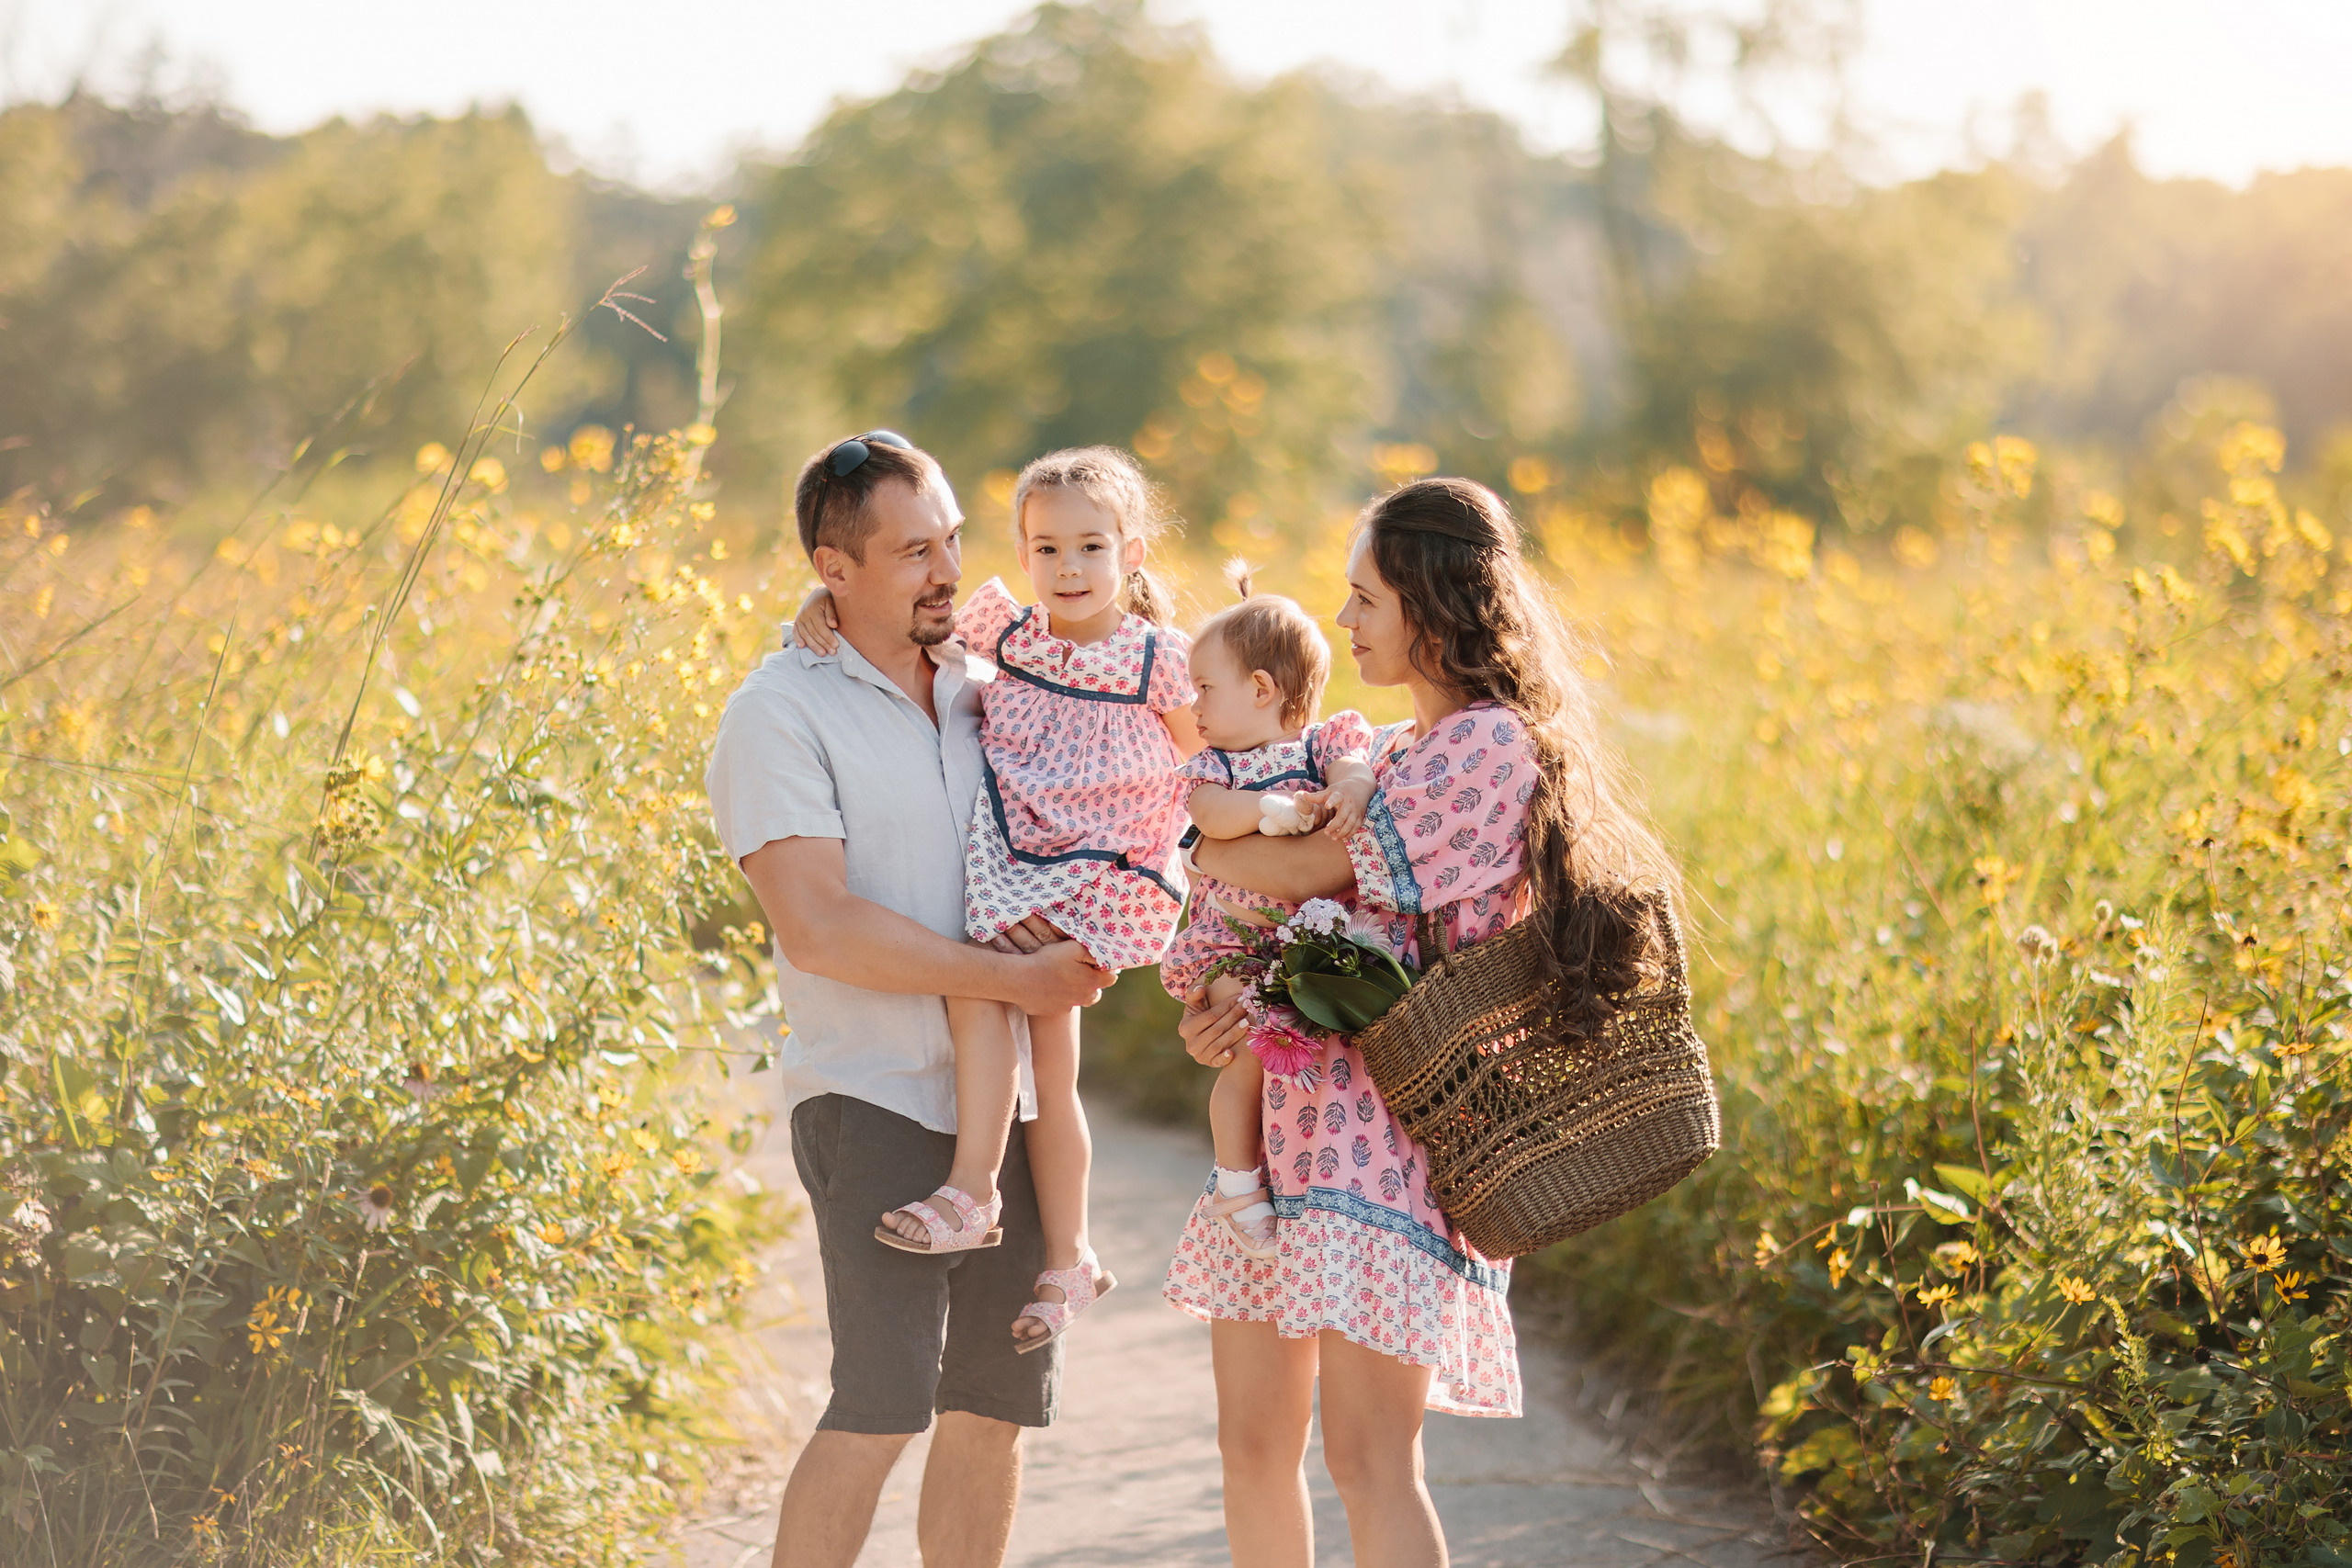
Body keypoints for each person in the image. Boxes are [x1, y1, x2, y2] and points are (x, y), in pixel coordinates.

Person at [1168, 477, 1673, 1568]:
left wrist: (1197, 839)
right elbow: (1284, 911)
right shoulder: (1390, 748)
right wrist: (1220, 1011)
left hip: (1386, 1147)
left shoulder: (1489, 747)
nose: (1342, 620)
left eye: (1364, 599)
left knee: (1366, 1461)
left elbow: (1306, 869)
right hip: (1287, 1129)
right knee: (1250, 1447)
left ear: (1431, 606)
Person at [705, 430, 1110, 1568]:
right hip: (874, 1098)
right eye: (912, 553)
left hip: (1015, 1110)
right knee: (879, 1408)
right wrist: (1013, 979)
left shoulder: (1003, 681)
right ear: (832, 570)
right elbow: (819, 926)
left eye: (952, 542)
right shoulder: (777, 714)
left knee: (991, 1409)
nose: (947, 572)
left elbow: (1142, 689)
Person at [792, 446, 1200, 1349]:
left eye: (1091, 548)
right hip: (1026, 863)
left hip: (1108, 873)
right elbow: (886, 622)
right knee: (1040, 1061)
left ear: (1132, 553)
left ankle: (977, 1192)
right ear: (1021, 556)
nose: (1068, 568)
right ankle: (1067, 1256)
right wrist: (819, 602)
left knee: (989, 995)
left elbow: (1210, 759)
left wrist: (1226, 855)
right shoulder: (1009, 636)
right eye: (1046, 549)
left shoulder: (1158, 658)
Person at [1159, 565, 1376, 1260]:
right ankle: (1236, 1181)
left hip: (1304, 946)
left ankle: (1294, 1171)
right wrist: (1272, 809)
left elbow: (1354, 766)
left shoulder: (1321, 746)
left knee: (1303, 1054)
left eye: (1204, 687)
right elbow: (1209, 817)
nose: (1192, 703)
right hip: (1231, 942)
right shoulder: (1217, 770)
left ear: (1260, 689)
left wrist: (1348, 792)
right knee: (1248, 1053)